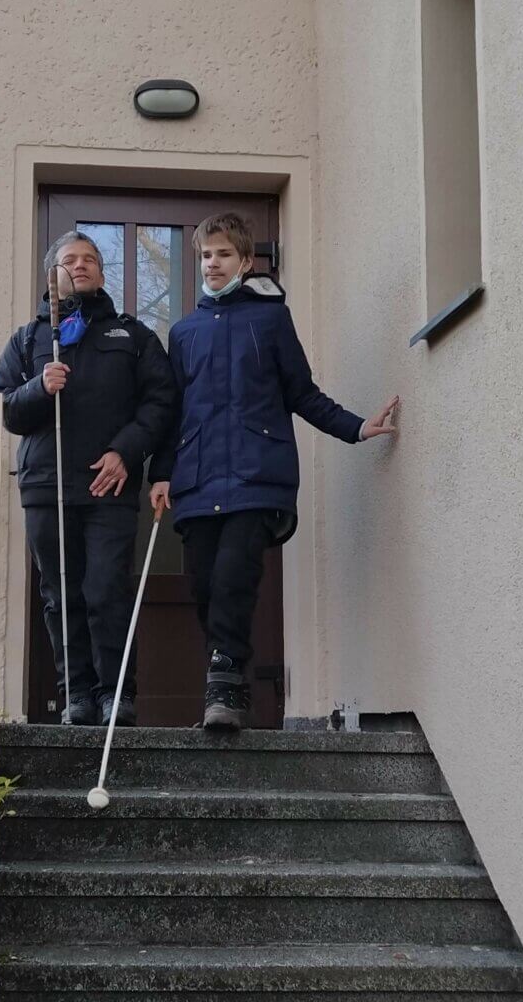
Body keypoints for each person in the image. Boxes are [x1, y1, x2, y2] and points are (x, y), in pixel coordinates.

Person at [149, 212, 399, 731]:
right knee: (206, 586)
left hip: (256, 476)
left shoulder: (270, 321)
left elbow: (301, 393)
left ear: (245, 261)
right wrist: (161, 473)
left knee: (235, 576)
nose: (212, 263)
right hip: (196, 481)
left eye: (222, 254)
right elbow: (174, 413)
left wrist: (356, 428)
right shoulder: (184, 332)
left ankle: (222, 687)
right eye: (205, 255)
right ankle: (233, 683)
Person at [0, 231, 175, 726]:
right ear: (51, 273)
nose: (80, 266)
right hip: (45, 487)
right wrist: (37, 386)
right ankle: (76, 695)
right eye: (69, 260)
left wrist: (125, 453)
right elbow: (8, 409)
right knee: (60, 594)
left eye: (90, 259)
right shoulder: (28, 339)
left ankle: (118, 694)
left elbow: (161, 404)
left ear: (100, 271)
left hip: (108, 488)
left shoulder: (132, 337)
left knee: (105, 590)